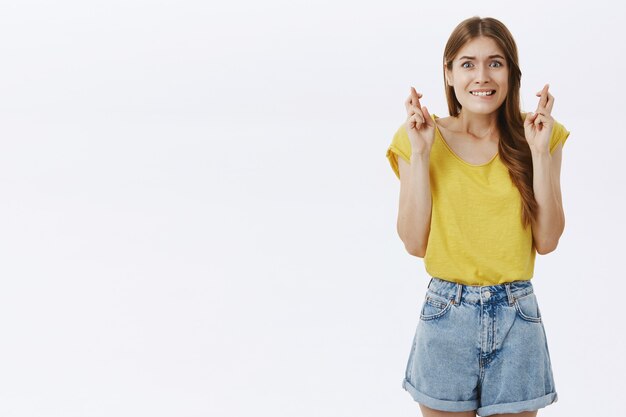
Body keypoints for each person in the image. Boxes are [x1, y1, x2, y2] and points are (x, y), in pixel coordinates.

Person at [385, 16, 570, 417]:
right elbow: (415, 243)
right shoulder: (419, 138)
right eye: (467, 64)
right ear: (449, 74)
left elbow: (548, 240)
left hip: (517, 318)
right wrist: (419, 155)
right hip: (446, 315)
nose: (481, 76)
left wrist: (538, 152)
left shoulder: (540, 135)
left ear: (511, 72)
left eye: (495, 63)